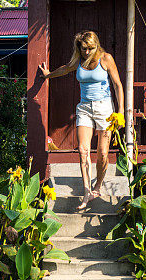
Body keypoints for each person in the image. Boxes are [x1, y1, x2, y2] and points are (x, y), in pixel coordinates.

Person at [39, 31, 124, 209]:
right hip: (84, 108)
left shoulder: (106, 58)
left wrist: (121, 112)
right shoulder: (79, 61)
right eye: (84, 48)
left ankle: (97, 187)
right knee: (83, 151)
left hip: (105, 109)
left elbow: (117, 85)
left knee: (102, 153)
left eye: (90, 48)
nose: (87, 52)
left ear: (96, 46)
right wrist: (48, 75)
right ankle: (87, 191)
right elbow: (65, 68)